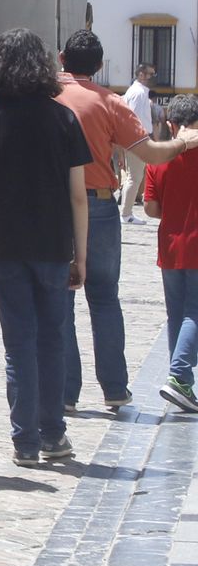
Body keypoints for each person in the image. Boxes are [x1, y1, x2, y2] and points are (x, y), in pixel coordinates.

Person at [55, 30, 192, 413]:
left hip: (56, 206)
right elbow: (151, 153)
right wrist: (184, 142)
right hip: (99, 205)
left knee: (61, 301)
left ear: (62, 58)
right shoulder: (109, 103)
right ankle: (115, 388)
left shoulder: (47, 98)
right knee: (104, 298)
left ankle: (66, 393)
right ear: (100, 65)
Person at [0, 29, 90, 466]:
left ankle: (24, 440)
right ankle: (53, 433)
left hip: (6, 243)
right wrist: (81, 254)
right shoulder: (63, 119)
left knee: (18, 343)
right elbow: (78, 195)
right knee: (52, 339)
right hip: (54, 243)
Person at [143, 96, 198, 412]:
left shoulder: (159, 159)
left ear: (171, 125)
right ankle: (179, 376)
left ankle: (182, 382)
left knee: (177, 314)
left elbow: (151, 208)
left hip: (170, 245)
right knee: (195, 313)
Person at [122, 62, 157, 224]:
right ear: (141, 74)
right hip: (138, 139)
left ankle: (126, 212)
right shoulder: (139, 93)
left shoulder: (137, 91)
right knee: (134, 177)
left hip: (137, 139)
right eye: (151, 74)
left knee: (134, 176)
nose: (153, 77)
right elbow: (133, 117)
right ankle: (126, 214)